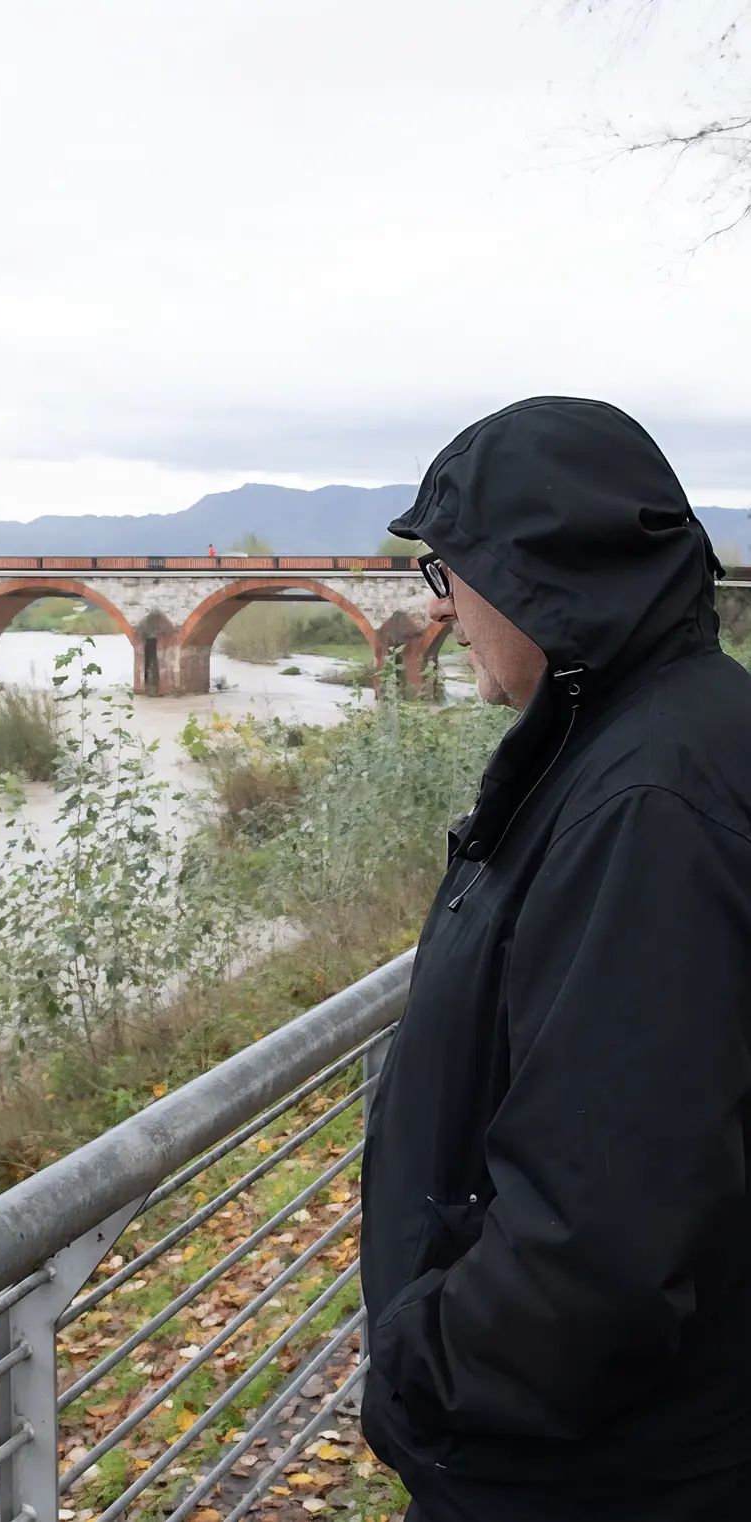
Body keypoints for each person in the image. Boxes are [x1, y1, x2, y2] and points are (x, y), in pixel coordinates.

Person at [359, 396, 751, 1521]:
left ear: (529, 574)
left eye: (443, 572)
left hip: (587, 1467)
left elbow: (601, 1228)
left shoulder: (647, 803)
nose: (440, 609)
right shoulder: (661, 735)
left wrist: (418, 1384)